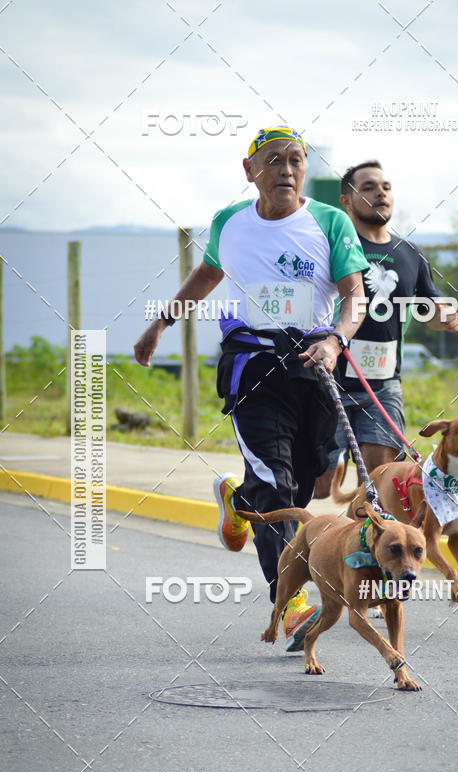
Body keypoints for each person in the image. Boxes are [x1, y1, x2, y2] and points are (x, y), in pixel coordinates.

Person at [134, 126, 368, 651]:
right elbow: (207, 275)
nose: (286, 169)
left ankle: (238, 502)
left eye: (296, 160)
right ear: (249, 171)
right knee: (278, 483)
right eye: (273, 160)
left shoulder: (329, 221)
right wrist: (161, 324)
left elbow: (354, 295)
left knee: (308, 484)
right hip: (252, 367)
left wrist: (335, 340)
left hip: (314, 365)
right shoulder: (229, 222)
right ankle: (290, 604)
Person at [313, 160, 458, 499]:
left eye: (386, 187)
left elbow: (431, 310)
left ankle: (364, 551)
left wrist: (447, 318)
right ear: (346, 201)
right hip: (327, 382)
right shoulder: (329, 246)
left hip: (382, 387)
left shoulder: (410, 254)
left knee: (377, 488)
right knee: (320, 487)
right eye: (367, 187)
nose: (380, 192)